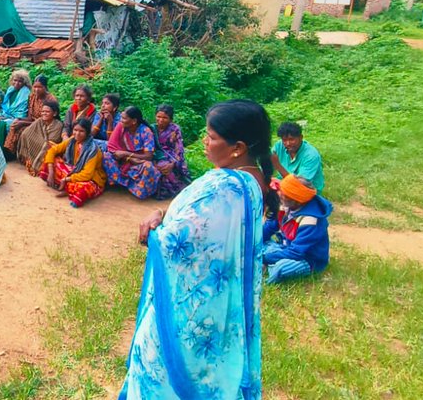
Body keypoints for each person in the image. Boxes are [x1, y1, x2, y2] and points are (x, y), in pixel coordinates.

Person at [122, 99, 272, 400]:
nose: (205, 142)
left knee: (159, 360)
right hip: (222, 303)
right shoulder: (254, 181)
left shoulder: (224, 186)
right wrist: (164, 213)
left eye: (212, 137)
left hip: (194, 305)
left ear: (238, 147)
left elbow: (181, 242)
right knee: (216, 362)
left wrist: (155, 228)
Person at [264, 175, 331, 284]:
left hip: (307, 259)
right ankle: (268, 262)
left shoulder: (311, 220)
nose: (279, 194)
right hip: (286, 247)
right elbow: (269, 228)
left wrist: (263, 258)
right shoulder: (286, 206)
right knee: (260, 244)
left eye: (284, 194)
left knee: (281, 267)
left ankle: (268, 268)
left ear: (297, 200)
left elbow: (296, 253)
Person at [40, 118, 106, 208]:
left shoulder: (93, 151)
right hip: (73, 169)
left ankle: (66, 188)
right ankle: (66, 187)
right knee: (51, 157)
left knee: (83, 188)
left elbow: (87, 175)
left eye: (81, 131)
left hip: (91, 178)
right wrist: (51, 172)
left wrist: (66, 179)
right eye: (75, 130)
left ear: (87, 133)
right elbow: (53, 150)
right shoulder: (72, 140)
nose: (77, 134)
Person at [103, 106, 162, 200]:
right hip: (123, 160)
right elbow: (111, 146)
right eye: (121, 117)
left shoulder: (146, 131)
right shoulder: (120, 126)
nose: (121, 120)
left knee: (148, 167)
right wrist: (128, 158)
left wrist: (127, 154)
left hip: (138, 162)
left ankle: (136, 189)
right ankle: (119, 184)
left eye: (124, 118)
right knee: (106, 156)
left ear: (134, 121)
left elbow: (148, 156)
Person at [4, 75, 54, 153]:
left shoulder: (50, 99)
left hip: (45, 125)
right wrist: (19, 119)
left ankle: (28, 157)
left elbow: (46, 120)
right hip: (32, 122)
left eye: (39, 87)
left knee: (25, 132)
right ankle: (11, 153)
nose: (36, 90)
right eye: (35, 87)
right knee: (14, 125)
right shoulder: (32, 96)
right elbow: (30, 116)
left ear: (45, 87)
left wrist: (22, 122)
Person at [272, 121, 325, 192]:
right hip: (285, 186)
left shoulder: (311, 155)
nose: (288, 143)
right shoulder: (279, 146)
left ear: (301, 137)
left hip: (306, 191)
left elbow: (299, 185)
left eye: (291, 139)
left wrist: (278, 166)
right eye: (284, 140)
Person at [153, 105, 192, 200]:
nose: (161, 120)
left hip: (172, 155)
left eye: (165, 118)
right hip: (157, 155)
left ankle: (182, 189)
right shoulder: (152, 128)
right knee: (159, 166)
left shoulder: (175, 129)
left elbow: (179, 148)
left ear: (171, 119)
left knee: (167, 167)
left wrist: (173, 164)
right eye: (158, 117)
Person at [15, 99, 64, 174]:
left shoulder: (58, 125)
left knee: (46, 145)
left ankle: (37, 165)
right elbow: (26, 133)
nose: (44, 113)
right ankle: (29, 160)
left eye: (47, 112)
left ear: (54, 113)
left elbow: (53, 141)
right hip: (43, 142)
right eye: (43, 111)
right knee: (25, 134)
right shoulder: (40, 121)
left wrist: (42, 142)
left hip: (51, 148)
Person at [0, 69, 31, 146]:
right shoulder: (11, 90)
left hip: (17, 118)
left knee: (2, 124)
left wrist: (3, 118)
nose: (16, 83)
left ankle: (1, 150)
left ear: (24, 82)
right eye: (15, 80)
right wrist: (2, 116)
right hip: (6, 115)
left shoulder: (25, 93)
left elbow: (21, 113)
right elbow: (5, 107)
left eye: (20, 81)